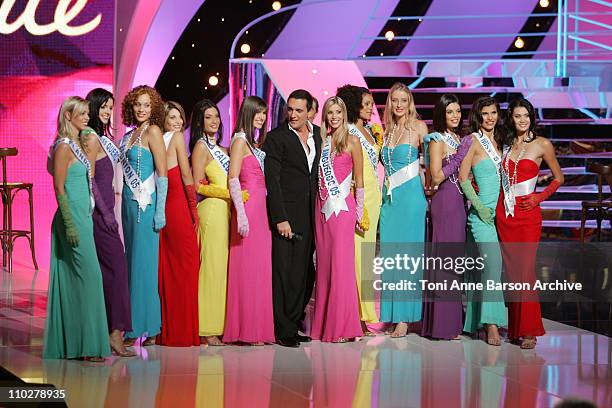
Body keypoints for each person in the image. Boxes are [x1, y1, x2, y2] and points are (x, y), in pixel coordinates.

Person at [44, 96, 110, 361]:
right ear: (68, 116)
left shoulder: (76, 145)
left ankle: (77, 345)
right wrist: (70, 223)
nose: (86, 117)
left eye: (86, 113)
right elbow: (58, 187)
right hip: (72, 220)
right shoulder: (63, 147)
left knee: (78, 282)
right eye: (81, 114)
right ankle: (90, 346)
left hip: (83, 218)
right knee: (91, 278)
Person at [496, 98, 563, 349]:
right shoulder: (506, 144)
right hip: (505, 215)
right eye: (517, 116)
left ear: (532, 117)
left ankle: (530, 331)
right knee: (513, 275)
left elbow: (559, 178)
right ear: (511, 118)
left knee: (525, 272)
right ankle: (515, 328)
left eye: (525, 115)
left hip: (528, 216)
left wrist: (539, 197)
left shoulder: (542, 144)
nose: (522, 120)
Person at [263, 89, 321, 348]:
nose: (294, 114)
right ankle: (283, 329)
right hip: (288, 215)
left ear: (309, 110)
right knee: (285, 273)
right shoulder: (276, 138)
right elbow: (272, 181)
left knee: (306, 272)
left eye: (299, 110)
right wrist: (280, 218)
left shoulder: (319, 134)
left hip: (313, 215)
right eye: (291, 109)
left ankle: (295, 321)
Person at [310, 96, 366, 342]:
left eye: (337, 112)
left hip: (342, 209)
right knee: (324, 266)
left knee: (341, 266)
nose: (334, 117)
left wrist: (360, 213)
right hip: (321, 208)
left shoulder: (353, 141)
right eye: (329, 113)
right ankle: (324, 325)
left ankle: (343, 326)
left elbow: (361, 182)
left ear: (344, 114)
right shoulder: (322, 142)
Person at [84, 88, 135, 357]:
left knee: (109, 272)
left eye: (109, 107)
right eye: (102, 107)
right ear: (92, 108)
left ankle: (108, 331)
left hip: (106, 212)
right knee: (117, 269)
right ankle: (115, 333)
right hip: (98, 214)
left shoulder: (102, 137)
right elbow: (89, 180)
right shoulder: (90, 138)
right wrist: (105, 214)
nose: (106, 112)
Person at [224, 96, 275, 345]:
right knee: (248, 267)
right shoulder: (240, 140)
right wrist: (241, 213)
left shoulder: (252, 141)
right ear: (248, 112)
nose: (262, 118)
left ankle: (258, 327)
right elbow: (233, 177)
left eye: (264, 114)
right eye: (258, 113)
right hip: (249, 207)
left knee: (259, 267)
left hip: (261, 207)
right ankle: (247, 328)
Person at [379, 82, 428, 338]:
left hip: (410, 200)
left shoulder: (419, 128)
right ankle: (391, 314)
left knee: (407, 258)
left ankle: (405, 319)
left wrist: (431, 188)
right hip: (390, 201)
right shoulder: (386, 130)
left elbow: (431, 164)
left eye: (403, 100)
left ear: (410, 103)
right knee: (390, 258)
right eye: (394, 100)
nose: (399, 105)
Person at [120, 85, 168, 347]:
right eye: (138, 104)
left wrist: (159, 211)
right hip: (128, 207)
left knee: (143, 266)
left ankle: (143, 326)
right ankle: (140, 323)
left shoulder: (153, 131)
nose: (141, 109)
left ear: (154, 108)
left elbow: (162, 174)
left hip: (145, 206)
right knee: (132, 263)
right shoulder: (130, 134)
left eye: (147, 105)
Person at [190, 99, 241, 346]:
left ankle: (219, 324)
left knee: (222, 269)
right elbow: (197, 185)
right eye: (208, 117)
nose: (214, 121)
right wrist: (226, 194)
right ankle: (207, 327)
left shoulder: (223, 148)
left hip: (226, 212)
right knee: (212, 269)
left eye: (216, 116)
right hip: (212, 211)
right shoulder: (201, 147)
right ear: (200, 121)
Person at [458, 96, 508, 345]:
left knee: (483, 270)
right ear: (478, 117)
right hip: (481, 216)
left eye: (493, 113)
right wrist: (478, 207)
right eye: (485, 114)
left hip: (501, 215)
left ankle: (476, 320)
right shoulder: (472, 141)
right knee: (491, 268)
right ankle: (491, 325)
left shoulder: (499, 142)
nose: (490, 118)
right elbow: (463, 177)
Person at [422, 94, 469, 340]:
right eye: (450, 111)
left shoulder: (459, 138)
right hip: (445, 201)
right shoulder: (437, 140)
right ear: (441, 114)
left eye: (458, 111)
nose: (455, 116)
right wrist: (460, 157)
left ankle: (451, 321)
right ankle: (442, 325)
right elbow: (437, 177)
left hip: (460, 202)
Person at [336, 84, 380, 335]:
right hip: (359, 197)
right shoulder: (348, 132)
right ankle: (356, 315)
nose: (370, 107)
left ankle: (364, 314)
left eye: (371, 103)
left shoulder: (369, 131)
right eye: (365, 104)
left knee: (366, 257)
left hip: (374, 198)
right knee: (357, 257)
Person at [157, 101, 200, 346]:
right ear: (163, 119)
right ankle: (183, 330)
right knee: (187, 265)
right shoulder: (174, 138)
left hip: (163, 207)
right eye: (172, 117)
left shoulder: (155, 139)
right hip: (177, 206)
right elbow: (186, 174)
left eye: (180, 117)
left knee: (170, 267)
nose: (178, 122)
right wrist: (193, 208)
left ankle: (168, 329)